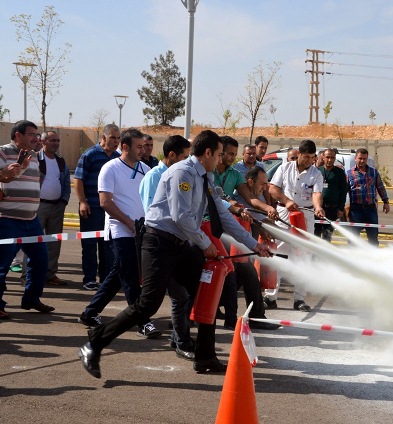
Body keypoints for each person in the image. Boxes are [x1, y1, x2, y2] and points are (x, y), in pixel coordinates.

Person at [78, 130, 272, 379]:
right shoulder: (183, 173)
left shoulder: (206, 177)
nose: (222, 159)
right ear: (208, 153)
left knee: (206, 290)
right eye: (220, 154)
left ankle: (205, 357)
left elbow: (222, 215)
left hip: (181, 243)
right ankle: (94, 343)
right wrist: (204, 244)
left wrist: (252, 244)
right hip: (159, 242)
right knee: (148, 304)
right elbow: (180, 216)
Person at [78, 128, 161, 339]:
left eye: (144, 146)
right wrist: (129, 223)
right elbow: (105, 202)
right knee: (131, 276)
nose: (143, 150)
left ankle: (90, 313)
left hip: (141, 231)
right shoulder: (110, 168)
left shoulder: (145, 168)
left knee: (118, 275)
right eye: (139, 146)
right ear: (125, 147)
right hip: (119, 231)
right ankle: (142, 321)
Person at [214, 136, 279, 330]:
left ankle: (257, 316)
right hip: (209, 228)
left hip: (229, 228)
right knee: (227, 273)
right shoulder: (208, 172)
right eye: (229, 154)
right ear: (220, 152)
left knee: (246, 271)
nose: (232, 158)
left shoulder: (234, 174)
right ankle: (223, 316)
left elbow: (250, 199)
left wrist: (266, 207)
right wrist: (230, 204)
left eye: (234, 154)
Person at [138, 135, 194, 359]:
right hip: (159, 244)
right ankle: (181, 340)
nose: (187, 161)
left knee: (181, 295)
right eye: (184, 157)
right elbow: (153, 212)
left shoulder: (179, 174)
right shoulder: (155, 176)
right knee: (155, 300)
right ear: (171, 155)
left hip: (175, 244)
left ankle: (179, 339)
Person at [0, 120, 55, 319]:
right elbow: (3, 177)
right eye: (32, 134)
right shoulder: (3, 152)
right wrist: (8, 173)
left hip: (32, 221)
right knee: (2, 264)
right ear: (18, 135)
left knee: (41, 260)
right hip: (7, 220)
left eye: (37, 134)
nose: (36, 138)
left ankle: (31, 298)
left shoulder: (33, 156)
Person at [268, 139, 325, 311]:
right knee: (278, 253)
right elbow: (273, 189)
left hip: (305, 215)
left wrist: (318, 207)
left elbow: (316, 193)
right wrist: (286, 201)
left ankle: (299, 299)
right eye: (306, 156)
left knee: (303, 256)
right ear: (298, 154)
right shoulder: (284, 168)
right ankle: (270, 296)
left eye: (312, 157)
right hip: (285, 214)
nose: (309, 160)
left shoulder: (316, 174)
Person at [75, 124, 120, 290]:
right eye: (112, 138)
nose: (116, 141)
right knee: (89, 245)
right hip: (91, 208)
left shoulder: (117, 158)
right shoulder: (90, 155)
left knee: (107, 245)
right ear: (103, 138)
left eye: (118, 138)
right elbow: (78, 179)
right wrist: (82, 201)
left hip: (109, 210)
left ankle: (106, 278)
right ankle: (89, 279)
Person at [36, 130, 71, 286]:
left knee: (54, 242)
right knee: (33, 242)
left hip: (57, 207)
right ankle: (29, 276)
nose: (56, 143)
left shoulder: (60, 161)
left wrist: (63, 201)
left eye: (58, 141)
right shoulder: (34, 159)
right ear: (43, 142)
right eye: (52, 140)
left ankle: (50, 274)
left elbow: (66, 183)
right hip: (38, 207)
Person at [346, 148, 390, 246]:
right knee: (353, 237)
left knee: (373, 237)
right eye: (360, 158)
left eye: (364, 159)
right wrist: (340, 207)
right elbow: (344, 191)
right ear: (355, 158)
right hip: (355, 210)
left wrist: (386, 202)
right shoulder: (349, 174)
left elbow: (380, 187)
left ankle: (373, 258)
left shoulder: (373, 172)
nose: (362, 161)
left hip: (371, 209)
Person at [314, 148, 347, 241]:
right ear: (323, 157)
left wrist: (340, 208)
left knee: (327, 234)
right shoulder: (317, 171)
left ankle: (325, 254)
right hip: (318, 208)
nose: (329, 160)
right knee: (316, 233)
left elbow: (343, 191)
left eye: (332, 157)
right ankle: (313, 255)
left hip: (332, 209)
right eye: (327, 157)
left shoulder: (339, 173)